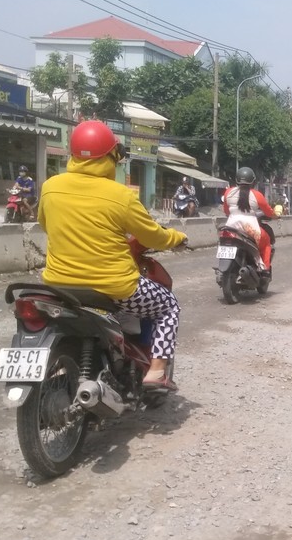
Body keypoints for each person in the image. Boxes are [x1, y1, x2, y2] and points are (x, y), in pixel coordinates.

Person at [38, 120, 187, 392]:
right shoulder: (121, 196)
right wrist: (177, 238)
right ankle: (155, 372)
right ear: (109, 157)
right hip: (115, 288)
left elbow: (46, 224)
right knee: (169, 306)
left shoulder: (50, 187)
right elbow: (152, 236)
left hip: (59, 285)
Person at [222, 166, 277, 274]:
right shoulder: (257, 195)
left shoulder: (228, 192)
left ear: (237, 180)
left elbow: (226, 211)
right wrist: (276, 216)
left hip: (231, 226)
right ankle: (265, 269)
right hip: (250, 227)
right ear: (253, 181)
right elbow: (269, 212)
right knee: (266, 243)